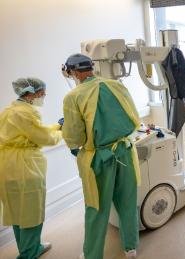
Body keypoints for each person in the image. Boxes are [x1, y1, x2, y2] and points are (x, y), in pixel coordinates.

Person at [61, 54, 141, 259]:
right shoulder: (117, 86)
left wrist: (71, 140)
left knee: (96, 207)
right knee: (128, 202)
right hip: (125, 152)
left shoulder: (74, 96)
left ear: (74, 72)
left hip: (100, 159)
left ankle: (92, 254)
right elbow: (134, 118)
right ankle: (130, 248)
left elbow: (74, 136)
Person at [0, 77, 62, 259]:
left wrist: (57, 125)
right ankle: (31, 252)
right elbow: (45, 138)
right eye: (42, 93)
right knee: (30, 209)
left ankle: (26, 248)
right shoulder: (26, 113)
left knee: (17, 209)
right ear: (30, 93)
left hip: (6, 165)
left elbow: (31, 131)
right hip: (24, 165)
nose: (43, 96)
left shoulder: (9, 111)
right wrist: (63, 132)